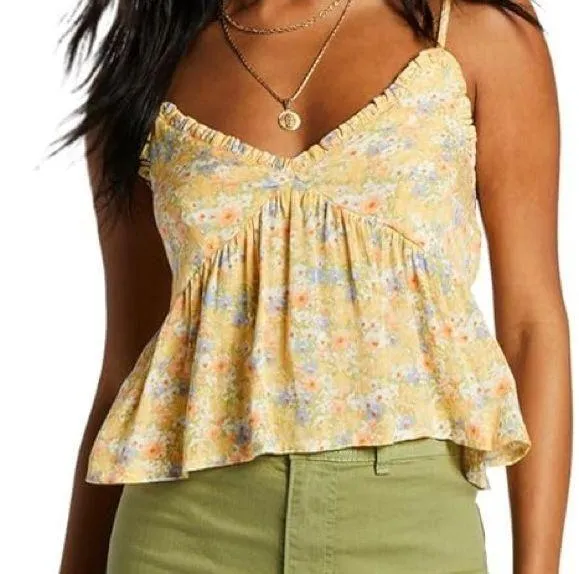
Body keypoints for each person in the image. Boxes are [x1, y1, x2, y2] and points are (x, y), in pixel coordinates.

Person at [57, 0, 571, 572]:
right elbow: (129, 361)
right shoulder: (144, 67)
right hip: (181, 529)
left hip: (408, 523)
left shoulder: (475, 32)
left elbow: (531, 326)